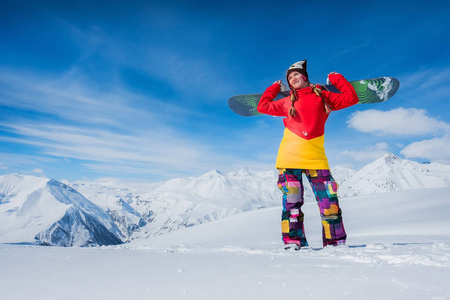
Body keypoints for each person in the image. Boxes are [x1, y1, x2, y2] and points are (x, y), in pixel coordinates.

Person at [257, 60, 359, 250]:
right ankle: (293, 243)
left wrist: (337, 79)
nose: (293, 78)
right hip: (288, 159)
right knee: (292, 205)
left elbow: (351, 98)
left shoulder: (323, 96)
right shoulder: (286, 101)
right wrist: (273, 88)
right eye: (289, 77)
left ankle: (335, 244)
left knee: (330, 205)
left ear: (304, 76)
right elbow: (263, 106)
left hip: (317, 160)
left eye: (296, 74)